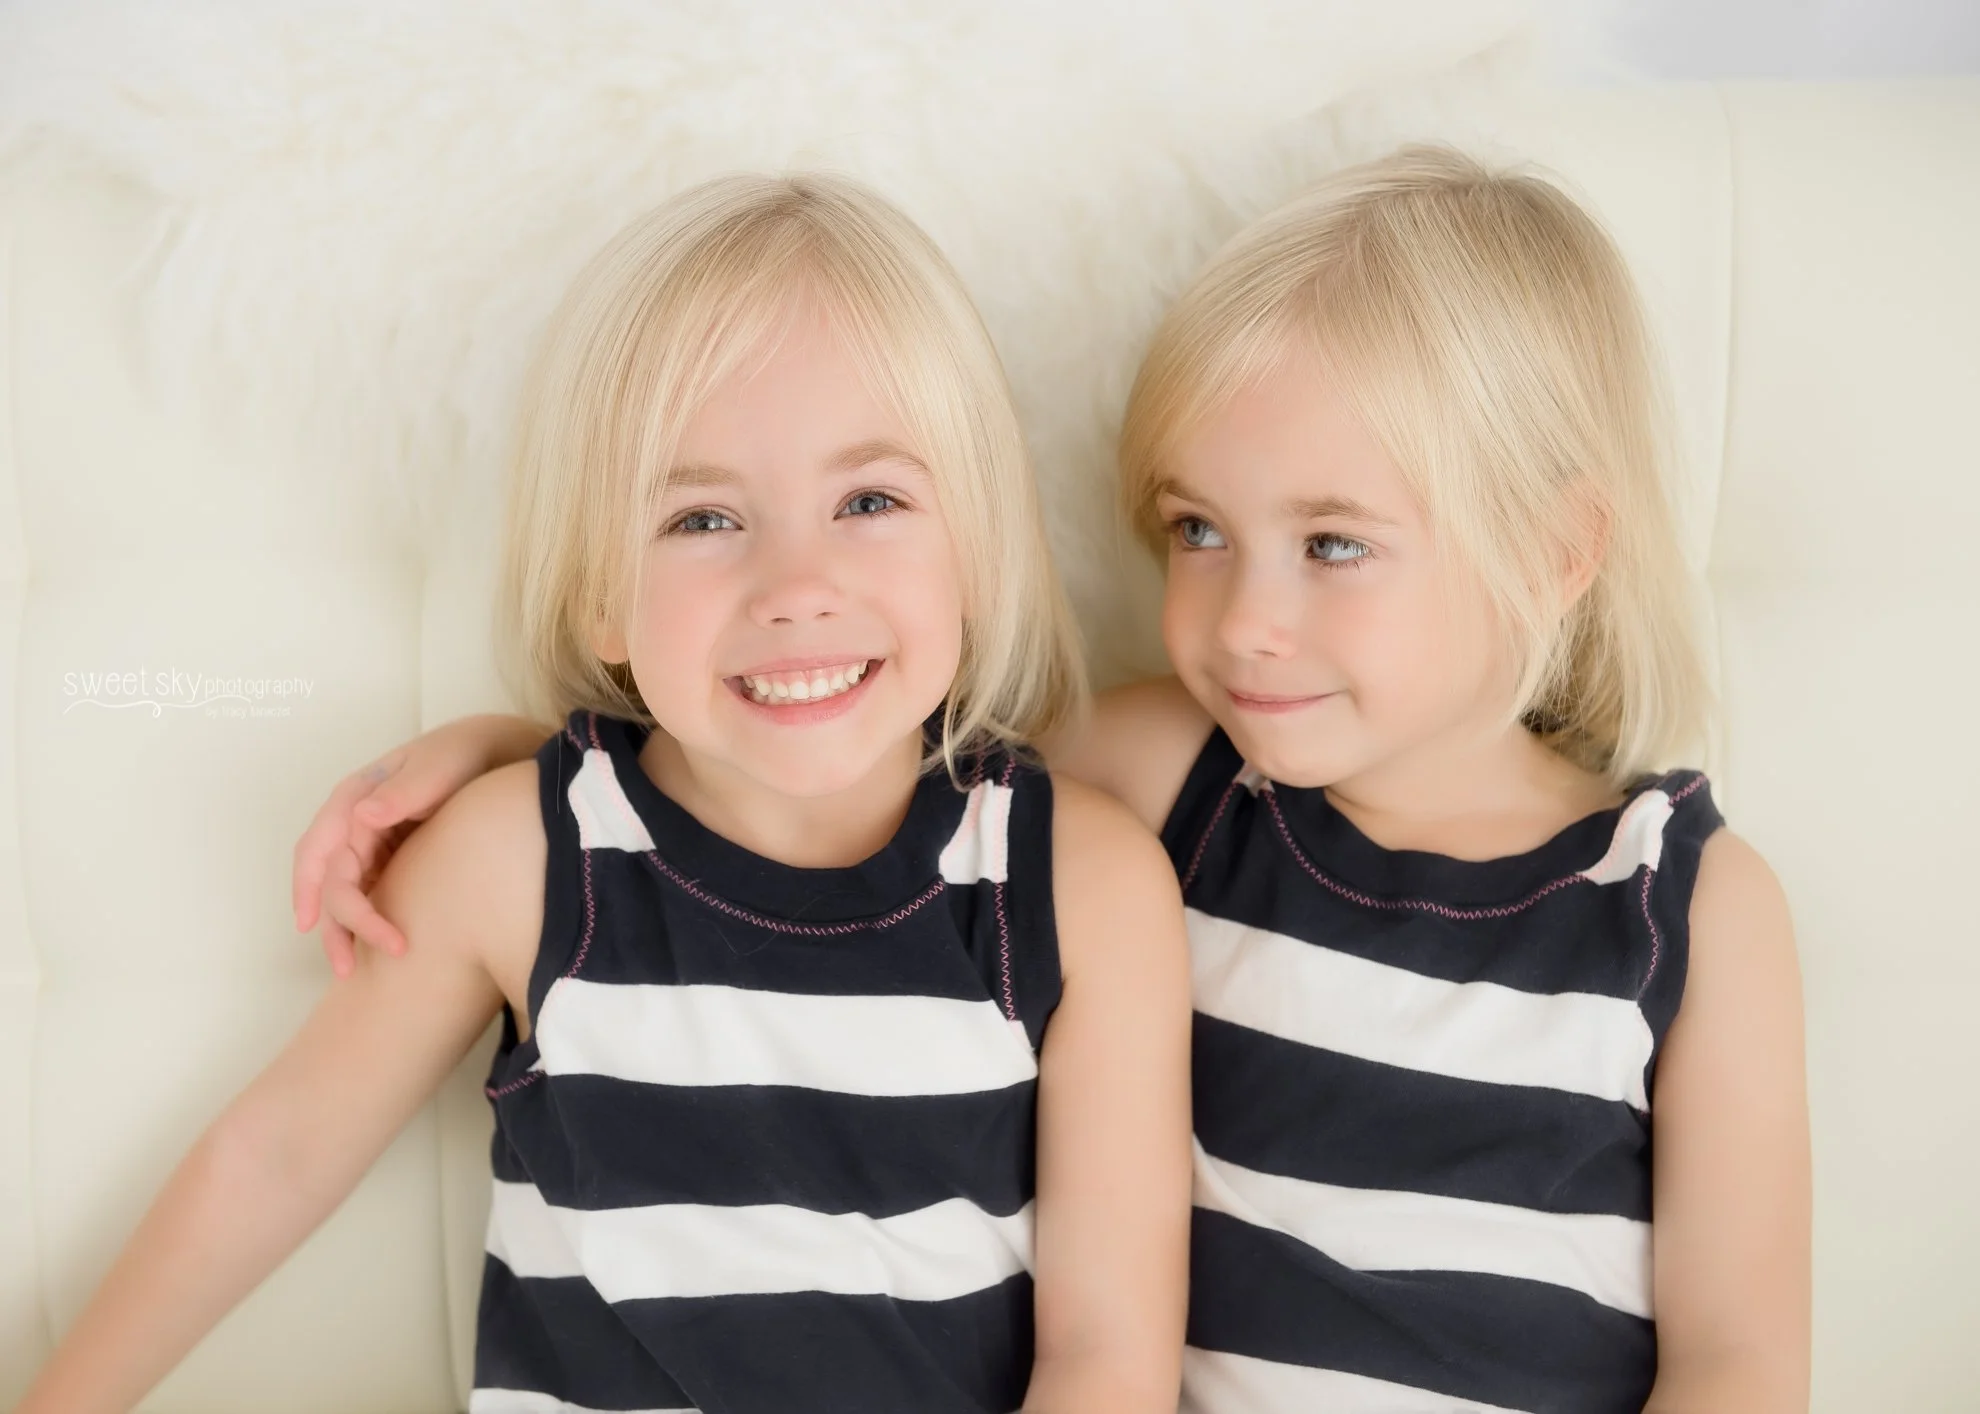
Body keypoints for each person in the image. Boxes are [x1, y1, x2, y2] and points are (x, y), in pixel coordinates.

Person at [294, 146, 1811, 1413]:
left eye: (1332, 543)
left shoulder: (1685, 906)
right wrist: (516, 753)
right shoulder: (1172, 783)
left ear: (1556, 551)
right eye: (1197, 532)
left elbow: (1741, 1358)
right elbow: (837, 762)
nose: (1244, 618)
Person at [22, 172, 1193, 1414]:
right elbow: (279, 1153)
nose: (797, 582)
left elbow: (1106, 1357)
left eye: (870, 501)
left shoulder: (1082, 889)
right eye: (702, 518)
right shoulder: (518, 858)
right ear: (598, 595)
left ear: (979, 551)